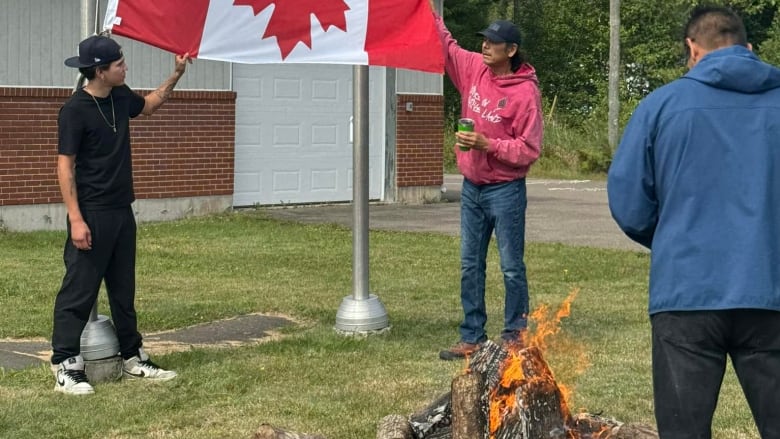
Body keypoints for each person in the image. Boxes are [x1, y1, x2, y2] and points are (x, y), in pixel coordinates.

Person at [608, 6, 780, 437]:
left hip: (686, 292)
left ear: (691, 47)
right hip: (771, 286)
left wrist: (671, 237)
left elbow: (630, 204)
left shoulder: (661, 106)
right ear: (749, 48)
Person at [52, 35, 191, 395]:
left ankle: (133, 358)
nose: (125, 67)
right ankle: (66, 366)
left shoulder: (119, 95)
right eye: (119, 64)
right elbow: (64, 168)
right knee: (78, 292)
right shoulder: (74, 111)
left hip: (121, 211)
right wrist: (76, 219)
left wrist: (176, 74)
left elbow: (149, 106)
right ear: (99, 71)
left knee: (123, 291)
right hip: (91, 213)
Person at [433, 12, 543, 361]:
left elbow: (529, 149)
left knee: (511, 266)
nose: (485, 45)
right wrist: (427, 12)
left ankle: (514, 336)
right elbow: (447, 47)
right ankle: (472, 337)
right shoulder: (474, 68)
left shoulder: (525, 93)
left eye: (493, 42)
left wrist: (488, 145)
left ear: (511, 50)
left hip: (506, 190)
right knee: (470, 264)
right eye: (484, 39)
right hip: (472, 188)